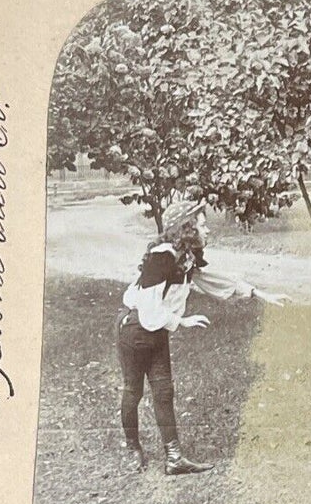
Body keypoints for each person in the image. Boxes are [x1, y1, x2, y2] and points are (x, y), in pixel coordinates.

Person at [117, 198, 284, 475]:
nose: (208, 230)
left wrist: (259, 293)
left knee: (164, 391)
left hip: (157, 328)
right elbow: (148, 308)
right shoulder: (163, 255)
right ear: (187, 229)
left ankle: (174, 458)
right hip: (134, 329)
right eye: (202, 225)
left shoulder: (185, 259)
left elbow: (215, 280)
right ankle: (132, 448)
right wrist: (181, 321)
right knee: (133, 390)